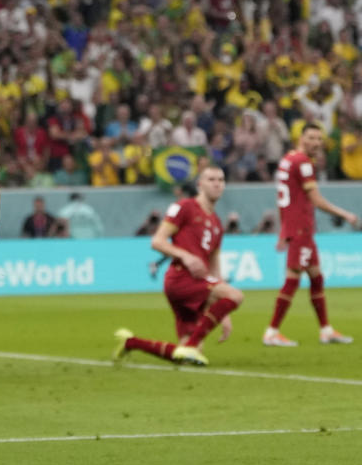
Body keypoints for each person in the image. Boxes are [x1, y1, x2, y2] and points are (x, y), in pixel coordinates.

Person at [114, 166, 244, 366]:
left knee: (184, 356)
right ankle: (191, 345)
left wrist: (223, 312)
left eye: (221, 179)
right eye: (211, 179)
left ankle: (132, 342)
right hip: (182, 279)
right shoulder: (185, 207)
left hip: (197, 283)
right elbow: (157, 241)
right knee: (236, 295)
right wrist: (186, 256)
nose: (217, 183)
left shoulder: (217, 223)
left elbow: (214, 267)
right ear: (200, 184)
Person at [263, 124, 360, 346]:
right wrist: (345, 214)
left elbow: (283, 198)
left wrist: (283, 231)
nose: (316, 143)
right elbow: (316, 200)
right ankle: (272, 331)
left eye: (319, 139)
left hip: (297, 227)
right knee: (292, 279)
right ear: (301, 137)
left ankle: (326, 330)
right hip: (301, 229)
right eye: (312, 138)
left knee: (316, 277)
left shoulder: (288, 159)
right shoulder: (303, 163)